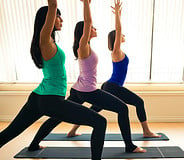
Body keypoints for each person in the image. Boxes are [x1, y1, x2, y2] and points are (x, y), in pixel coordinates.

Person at [26, 0, 145, 153]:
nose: (94, 28)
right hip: (88, 91)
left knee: (56, 117)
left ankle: (34, 144)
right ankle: (130, 146)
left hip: (79, 89)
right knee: (122, 108)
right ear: (85, 31)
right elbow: (88, 22)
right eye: (91, 28)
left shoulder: (86, 46)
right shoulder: (83, 45)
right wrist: (86, 4)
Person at [0, 0, 106, 160]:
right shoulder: (44, 40)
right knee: (100, 122)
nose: (61, 20)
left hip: (38, 98)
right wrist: (54, 7)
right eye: (58, 17)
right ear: (48, 19)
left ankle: (34, 145)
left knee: (8, 133)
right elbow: (52, 5)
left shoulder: (48, 41)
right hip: (50, 100)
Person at [69, 0, 160, 138]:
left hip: (110, 86)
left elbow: (119, 32)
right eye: (121, 36)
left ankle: (73, 130)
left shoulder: (119, 51)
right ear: (115, 38)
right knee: (139, 102)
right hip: (113, 86)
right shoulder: (116, 51)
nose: (123, 36)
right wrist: (117, 14)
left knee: (96, 108)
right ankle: (146, 131)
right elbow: (118, 30)